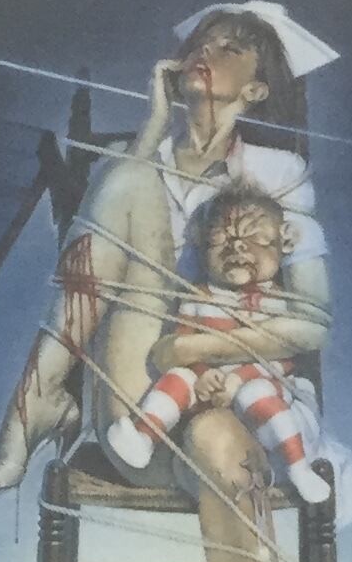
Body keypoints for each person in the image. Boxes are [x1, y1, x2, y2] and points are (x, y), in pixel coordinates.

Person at [0, 0, 352, 562]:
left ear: (258, 89)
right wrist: (150, 129)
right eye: (206, 37)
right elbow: (104, 273)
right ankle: (36, 405)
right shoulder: (136, 162)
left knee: (226, 454)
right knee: (127, 178)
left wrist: (206, 350)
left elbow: (312, 319)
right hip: (138, 383)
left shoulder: (278, 175)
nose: (212, 47)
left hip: (235, 392)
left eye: (236, 46)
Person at [107, 183, 331, 505]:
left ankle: (297, 467)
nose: (237, 247)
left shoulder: (278, 302)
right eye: (220, 238)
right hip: (208, 396)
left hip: (259, 388)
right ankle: (143, 438)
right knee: (178, 378)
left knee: (257, 393)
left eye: (255, 238)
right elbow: (184, 344)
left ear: (283, 245)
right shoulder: (200, 297)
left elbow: (282, 361)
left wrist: (238, 379)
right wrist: (201, 374)